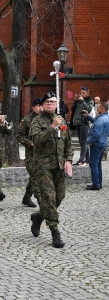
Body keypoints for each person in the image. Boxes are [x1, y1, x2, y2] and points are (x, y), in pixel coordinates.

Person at [29, 91, 73, 248]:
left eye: (52, 102)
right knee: (49, 197)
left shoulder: (62, 120)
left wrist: (68, 160)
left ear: (56, 104)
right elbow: (36, 141)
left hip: (59, 166)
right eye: (47, 102)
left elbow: (68, 144)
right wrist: (52, 127)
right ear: (42, 105)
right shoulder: (37, 122)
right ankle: (55, 232)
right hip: (43, 166)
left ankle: (39, 216)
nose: (50, 104)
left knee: (59, 197)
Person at [16, 98, 42, 207]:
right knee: (36, 177)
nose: (40, 108)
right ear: (33, 107)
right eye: (38, 106)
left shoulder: (45, 119)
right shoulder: (26, 120)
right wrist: (29, 143)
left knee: (34, 177)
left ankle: (26, 198)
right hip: (31, 155)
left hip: (42, 155)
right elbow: (19, 135)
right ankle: (42, 202)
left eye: (41, 105)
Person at [82, 103, 109, 190]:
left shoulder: (101, 120)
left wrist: (88, 141)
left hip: (97, 144)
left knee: (93, 164)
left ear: (103, 109)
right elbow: (96, 122)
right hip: (103, 143)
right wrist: (88, 116)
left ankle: (96, 184)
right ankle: (98, 183)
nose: (97, 109)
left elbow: (96, 134)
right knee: (98, 164)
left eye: (99, 108)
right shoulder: (105, 118)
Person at [70, 86, 94, 166]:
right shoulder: (79, 101)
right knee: (82, 142)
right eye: (81, 93)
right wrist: (75, 101)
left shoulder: (90, 101)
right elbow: (73, 109)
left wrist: (83, 101)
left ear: (87, 93)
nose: (82, 94)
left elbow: (89, 109)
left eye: (83, 93)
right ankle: (88, 159)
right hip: (78, 123)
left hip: (84, 123)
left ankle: (82, 160)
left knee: (83, 142)